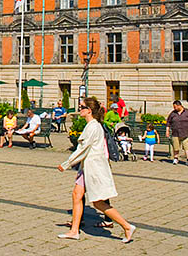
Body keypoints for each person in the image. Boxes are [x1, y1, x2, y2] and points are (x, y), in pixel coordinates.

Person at [57, 97, 136, 243]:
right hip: (86, 167)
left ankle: (126, 226)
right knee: (77, 195)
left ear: (88, 111)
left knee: (98, 203)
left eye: (81, 107)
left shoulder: (93, 126)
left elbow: (83, 149)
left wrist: (66, 163)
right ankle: (74, 230)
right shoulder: (92, 125)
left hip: (93, 167)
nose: (79, 109)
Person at [166, 100, 188, 166]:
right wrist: (167, 130)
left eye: (175, 107)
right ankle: (176, 158)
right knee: (175, 147)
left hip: (186, 133)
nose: (174, 108)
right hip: (175, 133)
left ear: (179, 105)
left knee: (187, 147)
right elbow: (168, 122)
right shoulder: (173, 113)